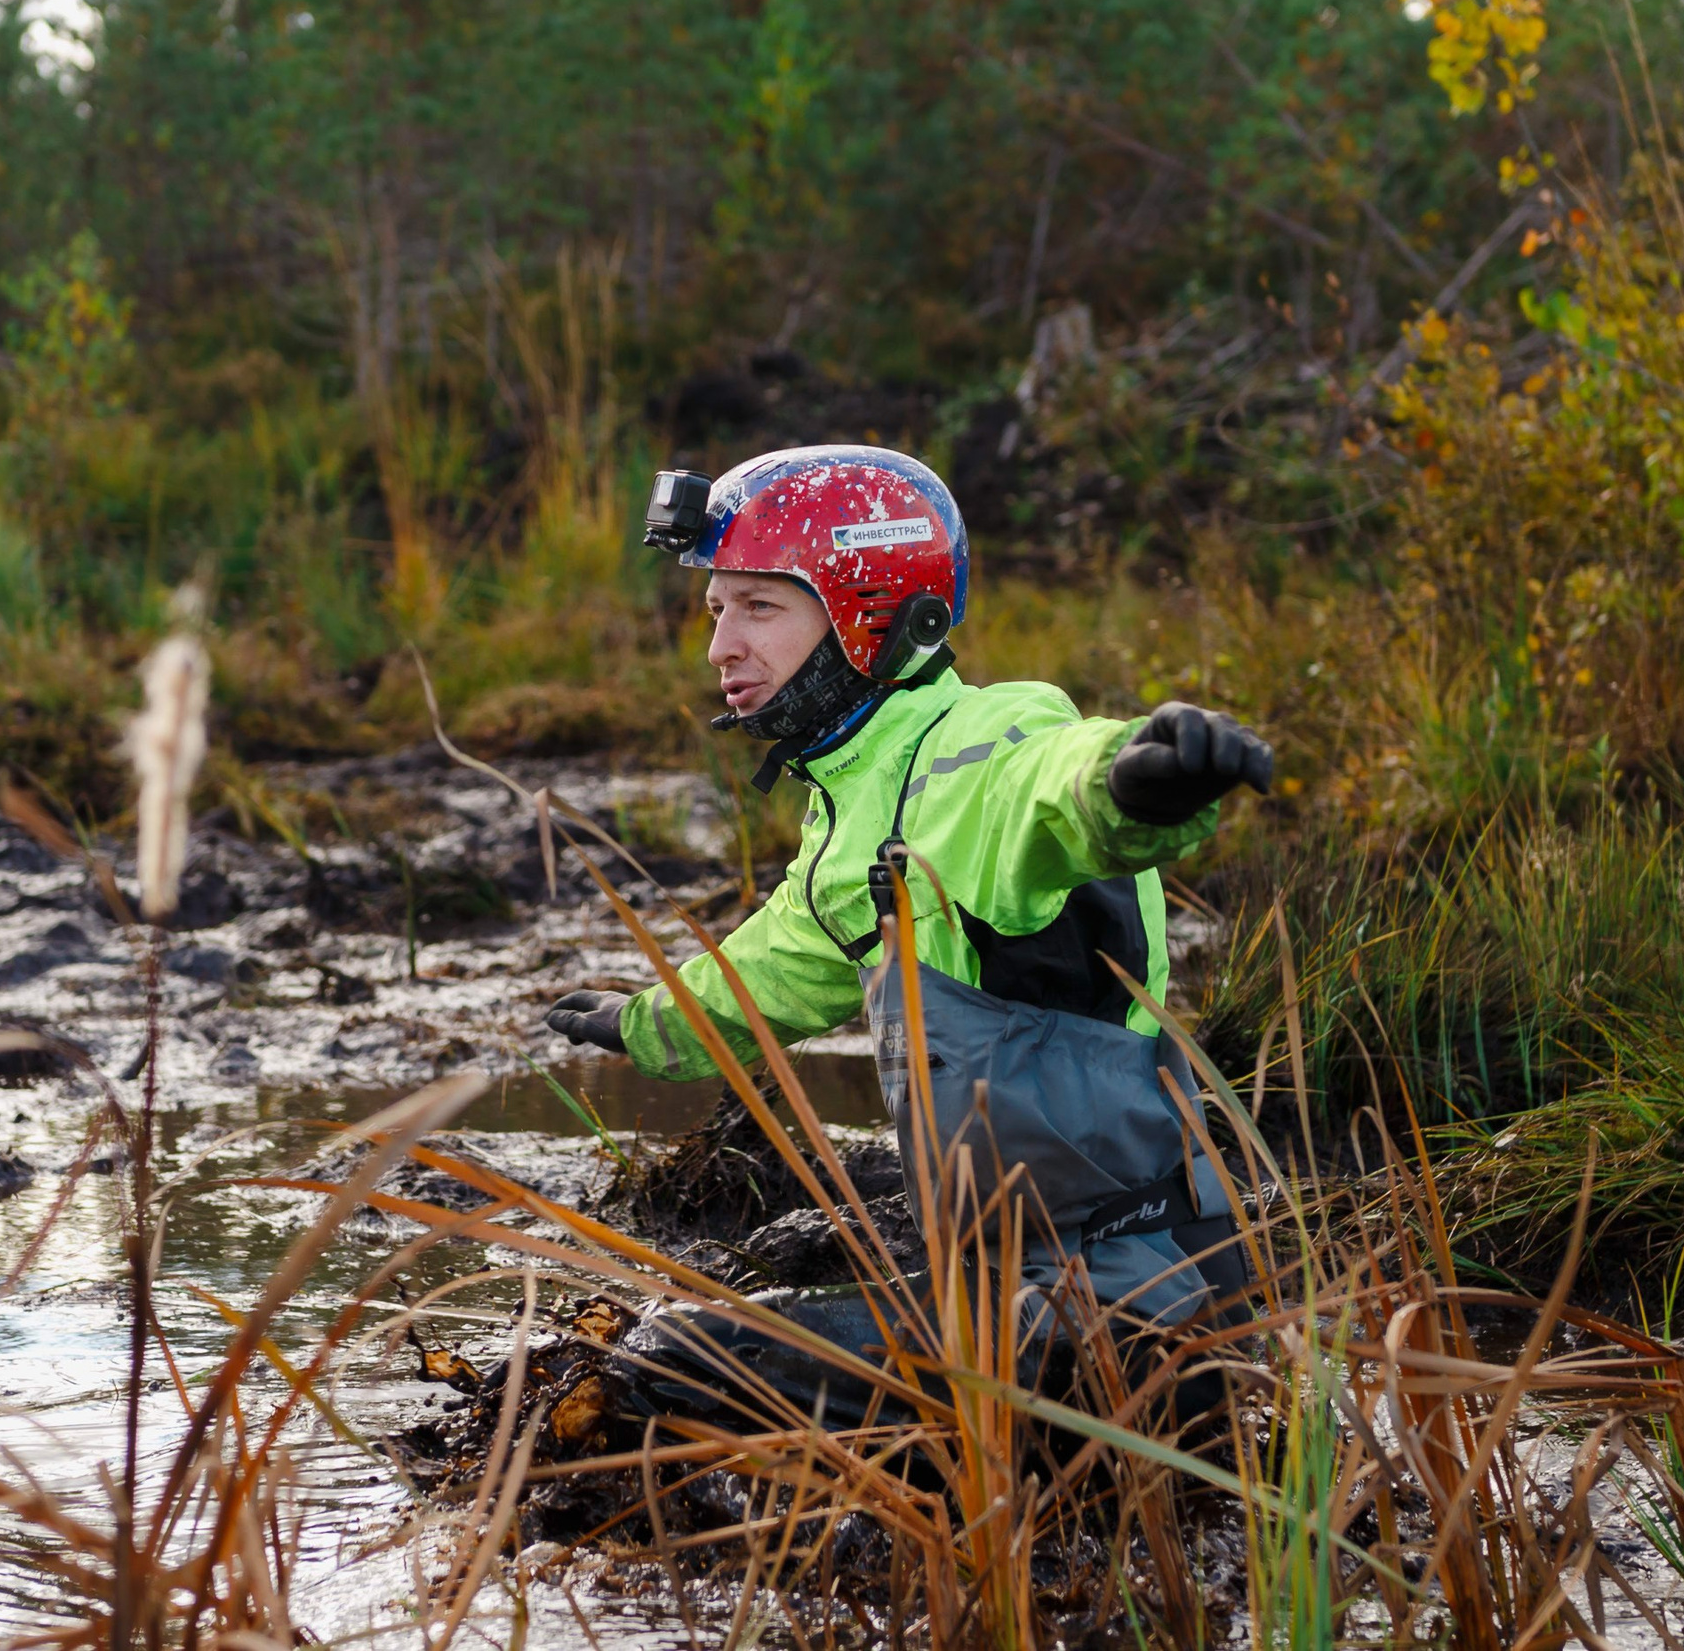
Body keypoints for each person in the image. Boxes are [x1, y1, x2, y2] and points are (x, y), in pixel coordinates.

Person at [545, 444, 1273, 1426]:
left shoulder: (973, 751)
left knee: (661, 1361)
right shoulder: (859, 806)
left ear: (879, 615)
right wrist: (641, 1022)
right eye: (716, 609)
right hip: (1033, 1287)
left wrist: (1134, 778)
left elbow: (1045, 781)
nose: (720, 646)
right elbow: (772, 965)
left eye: (760, 607)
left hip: (1114, 1313)